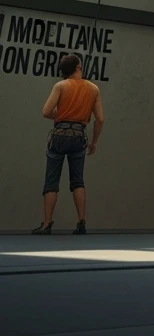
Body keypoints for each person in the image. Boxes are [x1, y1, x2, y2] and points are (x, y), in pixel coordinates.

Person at [32, 53, 103, 235]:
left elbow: (46, 111)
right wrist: (94, 141)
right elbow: (100, 119)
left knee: (51, 182)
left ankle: (47, 224)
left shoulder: (61, 86)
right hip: (79, 135)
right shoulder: (93, 89)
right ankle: (81, 222)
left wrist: (62, 114)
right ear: (78, 67)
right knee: (78, 181)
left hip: (60, 134)